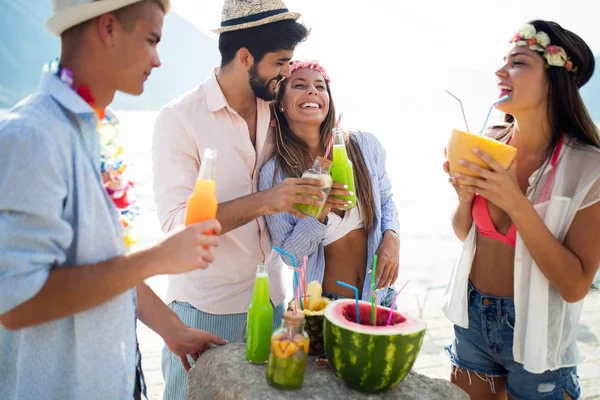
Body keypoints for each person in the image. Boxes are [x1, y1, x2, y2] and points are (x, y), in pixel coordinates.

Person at [0, 1, 226, 399]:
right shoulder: (32, 135)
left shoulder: (97, 130)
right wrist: (159, 257)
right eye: (151, 40)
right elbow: (17, 303)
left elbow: (105, 269)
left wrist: (173, 330)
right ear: (107, 28)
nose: (158, 60)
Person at [151, 1, 318, 398]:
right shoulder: (179, 119)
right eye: (280, 63)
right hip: (206, 310)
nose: (287, 73)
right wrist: (268, 200)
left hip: (274, 302)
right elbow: (178, 226)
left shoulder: (276, 108)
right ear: (245, 57)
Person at [442, 20, 600, 400]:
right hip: (471, 319)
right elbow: (468, 235)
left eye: (518, 62)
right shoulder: (489, 144)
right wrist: (465, 197)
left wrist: (514, 198)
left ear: (556, 78)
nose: (500, 72)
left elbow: (576, 285)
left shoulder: (587, 167)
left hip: (537, 335)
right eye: (503, 62)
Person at [259, 60, 401, 307]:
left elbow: (387, 200)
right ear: (280, 103)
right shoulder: (276, 174)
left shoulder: (363, 146)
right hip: (323, 305)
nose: (312, 91)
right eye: (299, 85)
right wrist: (320, 212)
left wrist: (392, 238)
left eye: (320, 86)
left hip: (380, 298)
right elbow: (291, 256)